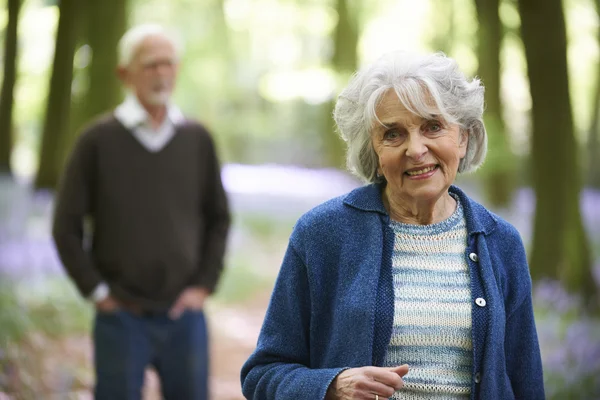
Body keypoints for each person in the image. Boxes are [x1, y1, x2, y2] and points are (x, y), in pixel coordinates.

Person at [241, 51, 544, 400]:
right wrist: (332, 387)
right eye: (393, 134)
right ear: (373, 150)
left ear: (462, 138)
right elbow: (262, 374)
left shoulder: (500, 242)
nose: (416, 149)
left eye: (433, 126)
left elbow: (527, 381)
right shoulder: (322, 235)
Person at [52, 23, 230, 400]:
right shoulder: (96, 141)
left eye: (168, 64)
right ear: (124, 73)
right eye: (150, 64)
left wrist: (202, 287)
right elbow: (65, 226)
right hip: (121, 316)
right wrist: (98, 292)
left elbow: (219, 217)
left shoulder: (197, 139)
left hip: (185, 316)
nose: (161, 73)